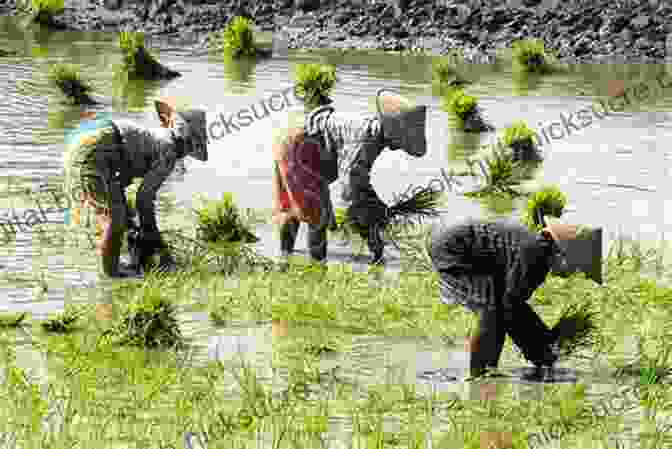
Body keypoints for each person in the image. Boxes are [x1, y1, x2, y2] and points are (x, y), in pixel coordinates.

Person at [272, 89, 428, 266]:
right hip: (299, 147)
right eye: (401, 141)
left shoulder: (370, 130)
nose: (399, 147)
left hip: (289, 138)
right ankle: (317, 269)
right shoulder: (367, 140)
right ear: (393, 132)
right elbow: (350, 189)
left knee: (292, 207)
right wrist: (370, 228)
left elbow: (357, 182)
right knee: (318, 216)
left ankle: (284, 259)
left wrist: (372, 208)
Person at [62, 98, 208, 278]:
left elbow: (125, 170)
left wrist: (136, 226)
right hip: (97, 151)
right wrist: (155, 239)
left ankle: (115, 264)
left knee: (121, 215)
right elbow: (144, 200)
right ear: (189, 143)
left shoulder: (157, 136)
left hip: (85, 144)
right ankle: (114, 274)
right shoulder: (169, 152)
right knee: (116, 220)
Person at [428, 216, 579, 379]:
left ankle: (490, 370)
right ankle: (480, 375)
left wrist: (542, 345)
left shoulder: (538, 250)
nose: (575, 271)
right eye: (574, 263)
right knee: (491, 310)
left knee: (497, 306)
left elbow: (514, 305)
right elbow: (511, 305)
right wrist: (541, 345)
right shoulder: (537, 253)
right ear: (559, 250)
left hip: (462, 243)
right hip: (454, 246)